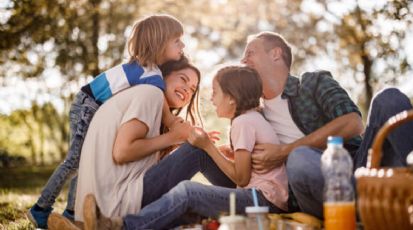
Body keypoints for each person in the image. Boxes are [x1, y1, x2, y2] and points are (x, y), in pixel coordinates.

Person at [240, 31, 413, 218]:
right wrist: (220, 150)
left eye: (250, 53)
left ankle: (409, 191)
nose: (243, 61)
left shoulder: (313, 83)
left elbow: (353, 123)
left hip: (360, 167)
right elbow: (242, 175)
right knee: (300, 158)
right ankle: (372, 208)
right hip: (318, 187)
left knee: (389, 98)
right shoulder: (254, 117)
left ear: (275, 54)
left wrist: (283, 151)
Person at [79, 66, 289, 230]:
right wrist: (214, 150)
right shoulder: (249, 119)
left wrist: (209, 146)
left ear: (232, 98)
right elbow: (245, 173)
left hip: (262, 202)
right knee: (197, 163)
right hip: (259, 196)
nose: (211, 98)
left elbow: (242, 178)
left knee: (189, 192)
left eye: (215, 92)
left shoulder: (243, 123)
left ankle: (123, 227)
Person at [27, 14, 186, 228]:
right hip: (87, 104)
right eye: (177, 40)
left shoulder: (149, 72)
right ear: (159, 41)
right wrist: (178, 129)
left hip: (91, 105)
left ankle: (72, 213)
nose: (182, 45)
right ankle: (41, 209)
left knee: (83, 162)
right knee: (74, 161)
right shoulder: (148, 72)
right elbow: (166, 112)